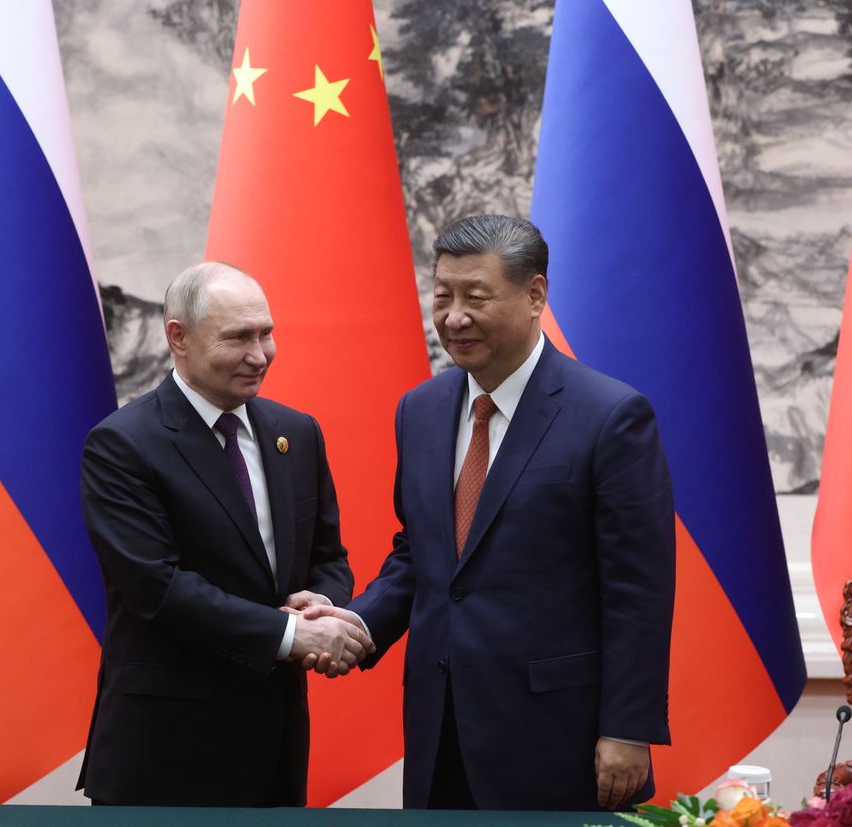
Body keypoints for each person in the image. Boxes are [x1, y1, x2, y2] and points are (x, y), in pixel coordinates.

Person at [303, 215, 676, 810]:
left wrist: (628, 728)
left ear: (534, 296)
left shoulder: (610, 416)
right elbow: (422, 555)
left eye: (475, 297)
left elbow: (639, 588)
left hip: (559, 735)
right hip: (439, 725)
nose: (454, 317)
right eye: (442, 296)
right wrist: (356, 624)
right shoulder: (420, 411)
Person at [77, 262, 372, 807]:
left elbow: (328, 555)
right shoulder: (122, 446)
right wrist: (292, 638)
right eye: (238, 337)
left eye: (266, 334)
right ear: (178, 337)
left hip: (274, 748)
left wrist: (323, 603)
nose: (259, 355)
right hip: (166, 755)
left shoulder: (296, 433)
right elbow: (157, 589)